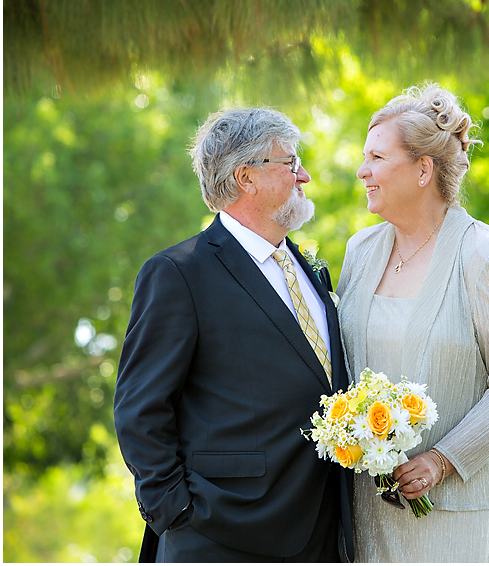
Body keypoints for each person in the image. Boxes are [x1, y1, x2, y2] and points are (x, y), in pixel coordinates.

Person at [114, 107, 353, 562]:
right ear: (247, 177)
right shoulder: (178, 273)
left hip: (321, 531)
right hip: (219, 535)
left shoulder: (311, 269)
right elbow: (139, 410)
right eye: (290, 162)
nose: (303, 175)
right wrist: (178, 513)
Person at [336, 83, 489, 562]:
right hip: (366, 512)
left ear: (423, 169)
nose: (362, 171)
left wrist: (442, 461)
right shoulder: (360, 252)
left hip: (456, 519)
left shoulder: (487, 256)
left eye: (376, 157)